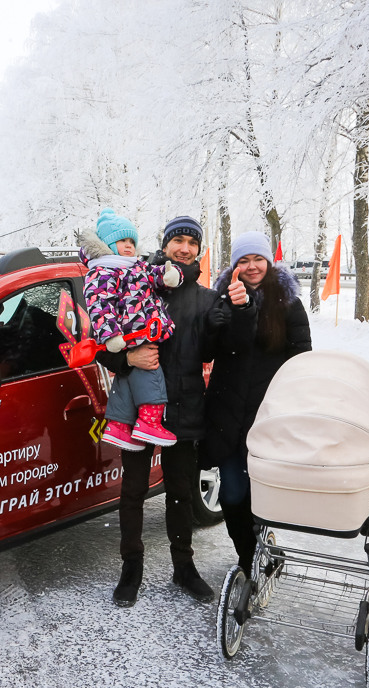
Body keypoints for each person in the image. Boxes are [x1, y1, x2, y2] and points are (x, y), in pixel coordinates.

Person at [97, 215, 220, 607]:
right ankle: (131, 567)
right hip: (137, 409)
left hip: (183, 408)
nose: (184, 248)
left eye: (191, 242)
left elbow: (217, 352)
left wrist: (230, 320)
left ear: (199, 250)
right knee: (132, 492)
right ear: (165, 245)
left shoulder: (204, 298)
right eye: (177, 240)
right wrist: (127, 357)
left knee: (180, 493)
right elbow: (101, 342)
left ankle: (184, 567)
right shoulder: (133, 278)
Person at [201, 232, 311, 574]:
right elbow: (206, 353)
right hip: (227, 411)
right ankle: (248, 555)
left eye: (257, 259)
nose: (251, 267)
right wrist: (213, 325)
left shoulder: (287, 303)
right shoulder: (220, 297)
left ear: (269, 261)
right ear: (234, 265)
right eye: (243, 260)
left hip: (268, 414)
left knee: (263, 494)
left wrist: (290, 401)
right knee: (233, 493)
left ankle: (262, 545)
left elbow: (301, 356)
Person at [81, 208, 182, 449]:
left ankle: (118, 425)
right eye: (122, 241)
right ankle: (150, 421)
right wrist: (111, 336)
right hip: (134, 334)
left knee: (126, 379)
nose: (129, 246)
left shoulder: (135, 266)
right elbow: (99, 305)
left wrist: (168, 275)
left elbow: (155, 274)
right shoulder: (103, 271)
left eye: (131, 241)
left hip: (141, 331)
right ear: (107, 245)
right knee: (151, 371)